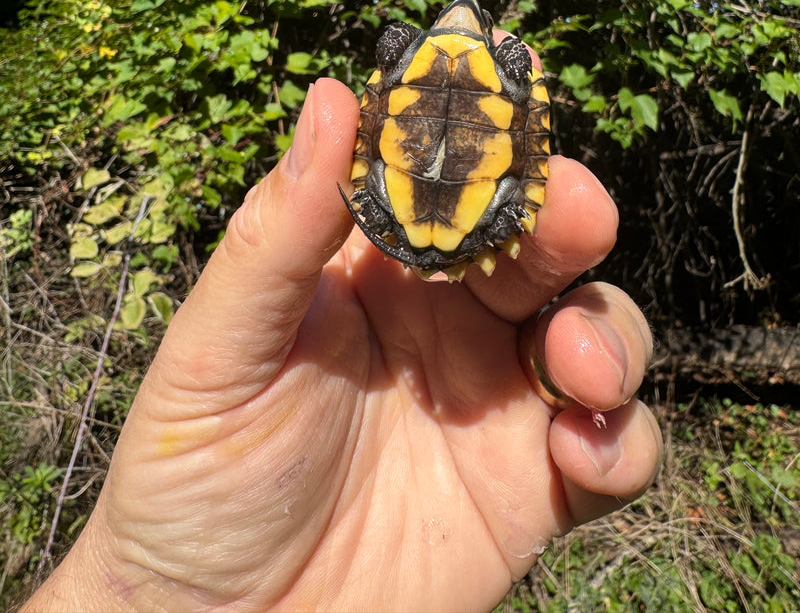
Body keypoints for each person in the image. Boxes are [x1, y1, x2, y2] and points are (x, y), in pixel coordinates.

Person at [23, 77, 662, 613]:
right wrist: (145, 590)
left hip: (422, 210)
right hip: (462, 212)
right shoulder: (505, 75)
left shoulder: (436, 76)